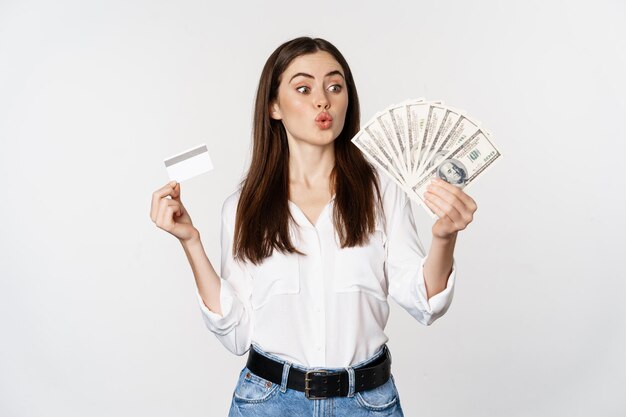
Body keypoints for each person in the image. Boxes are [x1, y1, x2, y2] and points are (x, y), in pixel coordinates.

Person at [150, 36, 477, 416]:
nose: (323, 100)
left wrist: (444, 236)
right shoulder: (242, 207)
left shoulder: (381, 190)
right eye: (304, 88)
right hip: (269, 403)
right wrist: (190, 241)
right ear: (274, 106)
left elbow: (425, 303)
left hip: (366, 402)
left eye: (334, 87)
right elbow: (237, 333)